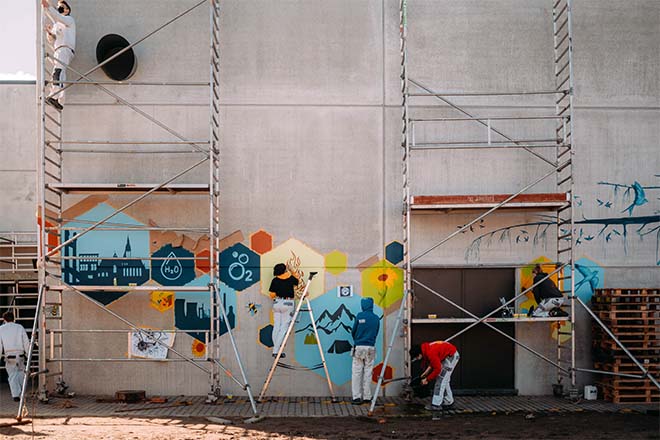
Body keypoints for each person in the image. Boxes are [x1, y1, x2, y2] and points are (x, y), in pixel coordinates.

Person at [42, 0, 76, 111]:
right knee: (61, 75)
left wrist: (48, 7)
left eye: (62, 7)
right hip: (59, 50)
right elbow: (52, 40)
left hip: (65, 49)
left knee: (58, 72)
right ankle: (60, 101)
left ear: (67, 10)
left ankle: (54, 96)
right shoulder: (58, 25)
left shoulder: (69, 20)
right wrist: (49, 33)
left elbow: (57, 16)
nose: (60, 9)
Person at [410, 340, 459, 411]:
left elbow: (437, 369)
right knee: (444, 380)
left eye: (416, 357)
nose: (417, 359)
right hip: (449, 355)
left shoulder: (430, 352)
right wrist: (425, 374)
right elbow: (433, 362)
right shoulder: (427, 348)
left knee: (440, 380)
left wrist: (427, 379)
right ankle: (448, 401)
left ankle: (436, 405)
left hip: (450, 357)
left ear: (419, 354)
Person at [350, 297, 380, 405]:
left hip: (359, 347)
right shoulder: (376, 318)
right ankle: (367, 397)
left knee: (357, 372)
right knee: (368, 371)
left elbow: (353, 331)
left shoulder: (359, 316)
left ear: (363, 305)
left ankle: (356, 397)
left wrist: (358, 339)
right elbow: (376, 332)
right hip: (370, 347)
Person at [268, 263, 299, 359]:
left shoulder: (275, 280)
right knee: (284, 327)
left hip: (277, 303)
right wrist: (292, 270)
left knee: (276, 326)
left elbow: (272, 295)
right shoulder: (290, 278)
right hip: (288, 303)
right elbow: (297, 280)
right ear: (285, 270)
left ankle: (276, 350)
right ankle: (276, 351)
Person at [0, 311, 31, 402]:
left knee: (12, 376)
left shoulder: (1, 329)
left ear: (4, 319)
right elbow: (26, 342)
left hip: (10, 356)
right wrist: (28, 354)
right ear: (14, 318)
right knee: (21, 375)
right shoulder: (20, 327)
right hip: (20, 355)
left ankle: (16, 395)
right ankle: (22, 393)